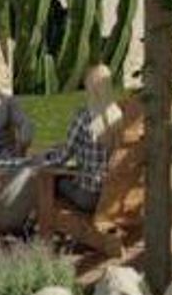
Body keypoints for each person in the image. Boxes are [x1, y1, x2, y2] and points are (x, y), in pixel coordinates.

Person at [49, 64, 124, 213]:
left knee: (55, 182)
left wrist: (45, 159)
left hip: (90, 198)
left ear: (90, 88)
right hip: (115, 196)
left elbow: (64, 156)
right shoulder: (120, 115)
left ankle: (43, 223)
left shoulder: (84, 117)